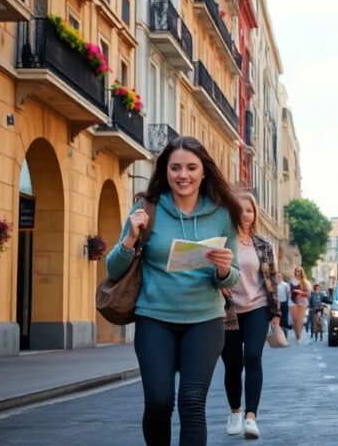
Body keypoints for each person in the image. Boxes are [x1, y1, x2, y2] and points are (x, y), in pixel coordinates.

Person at [107, 136, 241, 446]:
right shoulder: (147, 208)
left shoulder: (224, 214)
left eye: (191, 167)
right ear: (165, 171)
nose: (183, 175)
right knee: (158, 401)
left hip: (205, 320)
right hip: (154, 318)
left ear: (204, 171)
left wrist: (223, 269)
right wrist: (130, 238)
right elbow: (113, 270)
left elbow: (232, 278)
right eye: (175, 167)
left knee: (192, 402)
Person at [221, 191, 280, 440]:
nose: (245, 215)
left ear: (255, 214)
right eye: (240, 210)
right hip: (228, 311)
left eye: (249, 210)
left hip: (257, 308)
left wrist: (275, 311)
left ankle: (251, 417)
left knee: (253, 357)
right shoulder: (222, 243)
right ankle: (235, 412)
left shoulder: (263, 245)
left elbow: (272, 278)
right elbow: (207, 270)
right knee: (232, 365)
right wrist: (217, 284)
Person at [288, 266, 311, 344]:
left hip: (302, 301)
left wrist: (301, 292)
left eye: (299, 271)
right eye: (296, 271)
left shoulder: (305, 281)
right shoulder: (291, 280)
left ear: (302, 272)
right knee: (294, 320)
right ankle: (297, 335)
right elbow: (289, 291)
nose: (298, 272)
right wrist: (289, 296)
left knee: (299, 320)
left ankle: (299, 337)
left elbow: (309, 294)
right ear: (295, 272)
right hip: (292, 301)